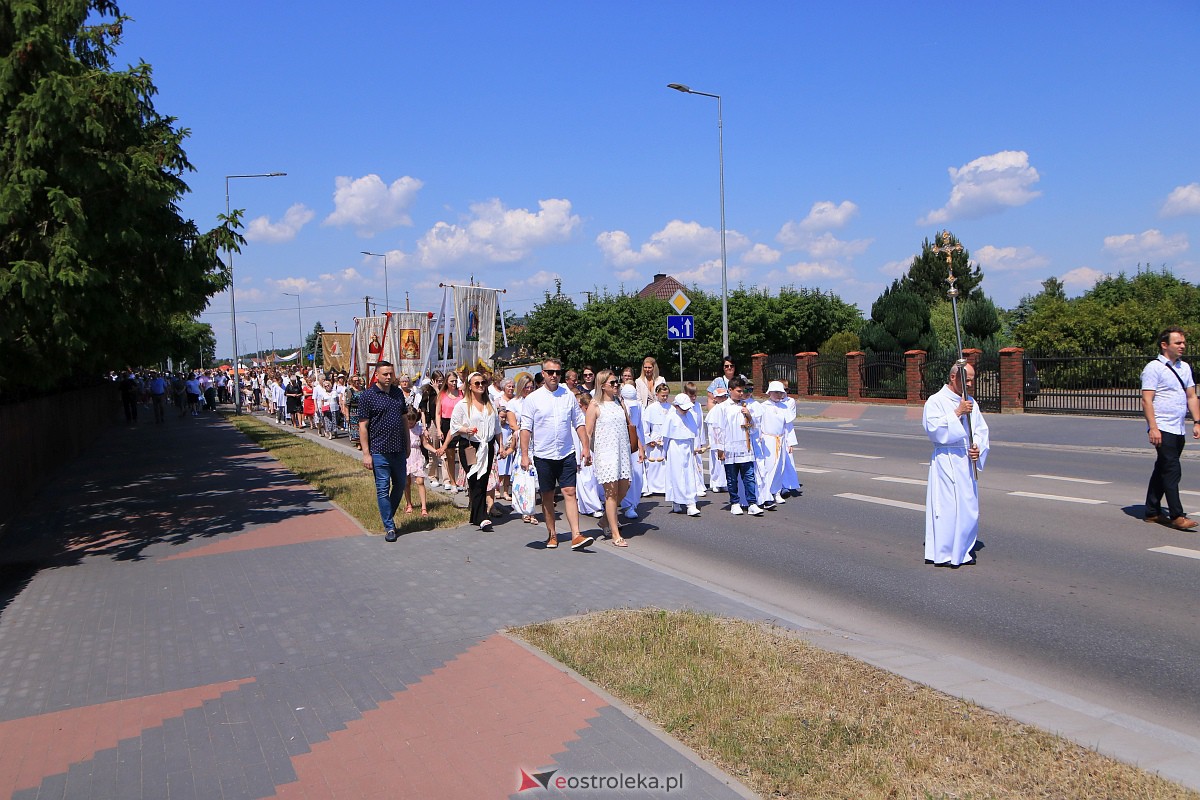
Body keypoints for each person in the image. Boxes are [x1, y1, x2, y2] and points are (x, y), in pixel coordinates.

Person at [519, 358, 596, 550]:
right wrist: (524, 455)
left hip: (566, 453)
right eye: (551, 372)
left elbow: (579, 423)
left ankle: (576, 535)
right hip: (543, 455)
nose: (554, 376)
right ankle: (552, 534)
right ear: (543, 374)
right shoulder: (533, 399)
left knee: (570, 491)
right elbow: (525, 429)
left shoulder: (567, 395)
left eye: (558, 373)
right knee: (547, 495)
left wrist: (586, 447)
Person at [923, 362, 989, 566]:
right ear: (953, 377)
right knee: (947, 507)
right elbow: (933, 429)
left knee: (968, 507)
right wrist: (957, 413)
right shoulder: (935, 400)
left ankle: (963, 551)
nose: (970, 384)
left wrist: (977, 447)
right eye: (966, 380)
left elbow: (980, 430)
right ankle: (943, 553)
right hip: (946, 459)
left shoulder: (971, 402)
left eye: (972, 380)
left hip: (966, 461)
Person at [1142, 327, 1200, 529]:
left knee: (1163, 468)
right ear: (1164, 345)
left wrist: (1197, 422)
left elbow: (1191, 396)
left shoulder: (1184, 367)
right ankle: (1177, 515)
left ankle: (1152, 511)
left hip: (1178, 427)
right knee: (1172, 469)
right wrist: (1153, 428)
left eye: (1183, 342)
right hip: (1162, 426)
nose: (1183, 346)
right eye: (1178, 343)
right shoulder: (1153, 368)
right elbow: (1147, 400)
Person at [439, 371, 502, 532]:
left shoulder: (490, 404)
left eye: (483, 383)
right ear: (470, 386)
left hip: (487, 447)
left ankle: (476, 516)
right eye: (477, 383)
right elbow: (454, 426)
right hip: (470, 446)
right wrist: (466, 429)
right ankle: (482, 517)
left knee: (483, 479)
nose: (481, 386)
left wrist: (501, 446)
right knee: (475, 480)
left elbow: (497, 428)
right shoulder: (462, 405)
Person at [584, 369, 640, 545]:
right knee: (611, 493)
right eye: (613, 383)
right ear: (602, 386)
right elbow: (588, 432)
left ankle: (605, 520)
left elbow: (629, 425)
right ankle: (615, 534)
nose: (617, 385)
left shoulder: (619, 402)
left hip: (622, 452)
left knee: (624, 487)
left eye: (617, 382)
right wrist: (587, 452)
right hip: (606, 453)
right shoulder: (595, 405)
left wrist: (639, 446)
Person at [358, 361, 410, 542]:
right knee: (383, 488)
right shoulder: (367, 396)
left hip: (398, 449)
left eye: (390, 374)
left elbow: (404, 420)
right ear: (377, 375)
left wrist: (408, 444)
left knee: (400, 485)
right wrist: (366, 453)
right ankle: (389, 527)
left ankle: (388, 515)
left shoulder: (397, 393)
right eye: (385, 374)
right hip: (379, 450)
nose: (389, 377)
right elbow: (363, 426)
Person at [711, 377, 764, 516]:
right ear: (730, 390)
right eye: (739, 391)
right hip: (730, 447)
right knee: (732, 477)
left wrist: (749, 416)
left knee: (749, 476)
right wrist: (720, 448)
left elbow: (754, 428)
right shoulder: (722, 408)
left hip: (745, 447)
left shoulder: (746, 406)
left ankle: (752, 503)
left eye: (743, 391)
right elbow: (718, 429)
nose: (741, 394)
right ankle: (735, 502)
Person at [664, 393, 702, 516]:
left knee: (689, 474)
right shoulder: (671, 417)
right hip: (675, 447)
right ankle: (677, 500)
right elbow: (666, 437)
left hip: (687, 446)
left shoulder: (690, 415)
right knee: (676, 475)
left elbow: (694, 432)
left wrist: (695, 447)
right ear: (676, 406)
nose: (686, 410)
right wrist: (665, 452)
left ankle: (691, 503)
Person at [641, 379, 671, 495]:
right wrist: (649, 440)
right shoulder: (651, 408)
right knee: (653, 464)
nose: (665, 398)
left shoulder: (671, 408)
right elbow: (645, 426)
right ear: (657, 394)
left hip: (666, 439)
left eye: (666, 395)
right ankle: (652, 486)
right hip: (654, 438)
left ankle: (665, 486)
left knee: (665, 464)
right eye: (662, 395)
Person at [436, 371, 465, 492]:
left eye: (455, 381)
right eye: (451, 381)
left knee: (465, 452)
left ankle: (464, 480)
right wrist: (439, 429)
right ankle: (452, 482)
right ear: (446, 382)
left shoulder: (461, 393)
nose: (454, 383)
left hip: (461, 423)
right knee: (450, 455)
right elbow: (438, 413)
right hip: (447, 423)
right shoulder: (442, 395)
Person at [404, 408, 430, 517]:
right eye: (408, 420)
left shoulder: (419, 429)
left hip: (417, 456)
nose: (410, 422)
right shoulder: (402, 429)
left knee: (420, 481)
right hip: (406, 457)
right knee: (406, 482)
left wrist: (435, 450)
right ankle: (409, 504)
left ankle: (424, 507)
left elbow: (425, 444)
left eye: (413, 420)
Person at [705, 386, 729, 493]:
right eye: (720, 397)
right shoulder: (714, 411)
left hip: (726, 441)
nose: (723, 399)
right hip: (717, 442)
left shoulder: (728, 408)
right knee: (716, 462)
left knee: (725, 463)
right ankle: (715, 483)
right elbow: (712, 429)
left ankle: (724, 483)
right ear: (715, 398)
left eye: (725, 396)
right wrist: (715, 442)